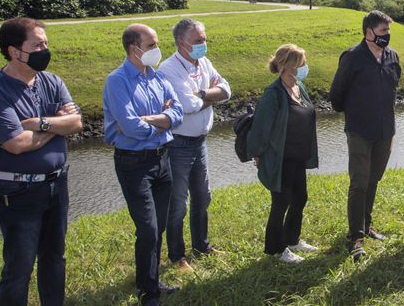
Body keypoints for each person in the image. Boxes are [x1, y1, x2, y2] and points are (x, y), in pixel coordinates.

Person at [0, 17, 83, 306]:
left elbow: (76, 123)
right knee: (19, 268)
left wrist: (40, 124)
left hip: (56, 186)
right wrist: (57, 124)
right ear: (14, 51)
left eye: (45, 44)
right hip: (18, 193)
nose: (45, 50)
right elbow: (16, 144)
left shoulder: (52, 81)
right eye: (37, 45)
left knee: (54, 258)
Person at [103, 24, 183, 306]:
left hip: (163, 158)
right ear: (133, 48)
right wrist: (162, 120)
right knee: (147, 228)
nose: (156, 50)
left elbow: (178, 113)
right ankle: (148, 292)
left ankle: (149, 279)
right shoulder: (117, 81)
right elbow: (128, 127)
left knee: (158, 225)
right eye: (151, 46)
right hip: (133, 163)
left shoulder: (158, 77)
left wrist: (150, 120)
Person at [158, 19, 231, 272]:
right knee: (178, 203)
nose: (203, 44)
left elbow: (227, 90)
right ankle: (177, 256)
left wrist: (200, 94)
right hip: (178, 145)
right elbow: (187, 106)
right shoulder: (169, 69)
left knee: (203, 196)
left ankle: (202, 246)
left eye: (204, 39)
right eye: (198, 40)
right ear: (182, 42)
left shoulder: (204, 63)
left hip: (200, 142)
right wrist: (208, 94)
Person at [329, 10, 401, 261]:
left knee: (374, 179)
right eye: (382, 31)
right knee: (359, 181)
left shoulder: (393, 56)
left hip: (385, 130)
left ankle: (366, 225)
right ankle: (355, 236)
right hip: (359, 130)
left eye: (388, 31)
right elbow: (336, 96)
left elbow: (394, 87)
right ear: (368, 32)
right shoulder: (352, 57)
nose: (387, 36)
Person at [247, 44, 319, 264]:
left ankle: (292, 238)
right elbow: (260, 128)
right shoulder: (273, 94)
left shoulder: (299, 87)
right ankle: (276, 248)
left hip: (298, 155)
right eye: (300, 64)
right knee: (281, 201)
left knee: (300, 197)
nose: (304, 67)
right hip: (281, 158)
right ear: (286, 66)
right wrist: (258, 155)